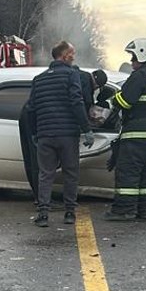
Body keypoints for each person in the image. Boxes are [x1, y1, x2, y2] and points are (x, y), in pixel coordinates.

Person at [19, 40, 95, 227]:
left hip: (45, 135)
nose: (74, 56)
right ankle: (69, 213)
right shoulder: (71, 75)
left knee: (45, 174)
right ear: (63, 55)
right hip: (68, 134)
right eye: (72, 53)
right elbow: (76, 103)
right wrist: (86, 129)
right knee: (70, 173)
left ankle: (43, 214)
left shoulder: (39, 79)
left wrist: (36, 133)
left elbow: (32, 108)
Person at [106, 38, 146, 221]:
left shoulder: (140, 76)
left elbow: (126, 101)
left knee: (128, 173)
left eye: (133, 56)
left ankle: (123, 210)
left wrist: (112, 99)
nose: (132, 61)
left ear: (142, 54)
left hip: (137, 132)